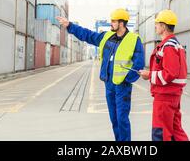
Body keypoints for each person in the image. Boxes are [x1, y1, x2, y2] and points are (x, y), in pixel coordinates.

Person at [57, 9, 145, 142]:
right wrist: (70, 26)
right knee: (114, 119)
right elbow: (88, 35)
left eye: (114, 21)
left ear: (122, 23)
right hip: (109, 84)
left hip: (122, 86)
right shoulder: (107, 36)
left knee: (122, 119)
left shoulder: (134, 40)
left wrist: (126, 80)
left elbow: (139, 63)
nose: (111, 23)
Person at [139, 10, 190, 141]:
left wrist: (149, 75)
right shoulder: (175, 45)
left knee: (160, 133)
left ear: (163, 26)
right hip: (172, 96)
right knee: (175, 133)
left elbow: (170, 73)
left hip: (165, 97)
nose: (155, 26)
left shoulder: (168, 46)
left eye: (157, 24)